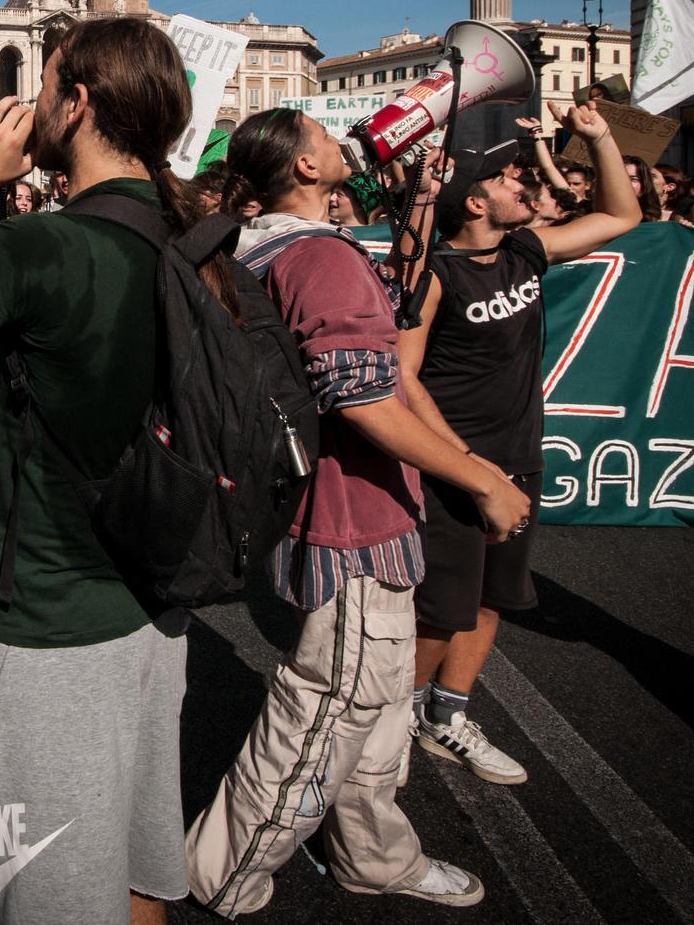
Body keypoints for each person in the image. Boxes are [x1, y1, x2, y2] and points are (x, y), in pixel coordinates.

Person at [0, 18, 201, 924]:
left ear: (78, 104)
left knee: (54, 896)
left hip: (54, 619)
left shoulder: (51, 243)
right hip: (154, 602)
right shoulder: (186, 232)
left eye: (46, 84)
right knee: (134, 871)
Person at [183, 108, 532, 914]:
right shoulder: (317, 256)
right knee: (327, 707)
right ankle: (224, 871)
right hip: (348, 515)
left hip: (332, 508)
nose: (339, 140)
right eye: (320, 134)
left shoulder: (256, 244)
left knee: (372, 712)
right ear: (303, 168)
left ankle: (371, 857)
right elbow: (364, 399)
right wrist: (481, 481)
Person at [399, 105, 641, 790]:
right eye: (506, 179)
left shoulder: (525, 250)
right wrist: (473, 472)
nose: (521, 183)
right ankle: (388, 731)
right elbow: (404, 376)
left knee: (489, 598)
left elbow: (620, 219)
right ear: (473, 202)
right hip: (454, 467)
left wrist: (598, 139)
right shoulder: (437, 272)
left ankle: (447, 714)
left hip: (518, 456)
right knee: (439, 611)